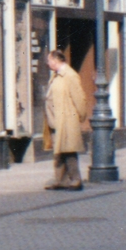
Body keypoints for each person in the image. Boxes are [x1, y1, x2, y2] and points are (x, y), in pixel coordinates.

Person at [42, 49, 89, 191]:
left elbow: (79, 98)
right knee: (59, 150)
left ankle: (76, 179)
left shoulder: (70, 75)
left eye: (49, 60)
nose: (48, 63)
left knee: (68, 149)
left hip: (66, 119)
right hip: (55, 120)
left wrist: (81, 116)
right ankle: (60, 180)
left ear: (56, 61)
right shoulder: (56, 76)